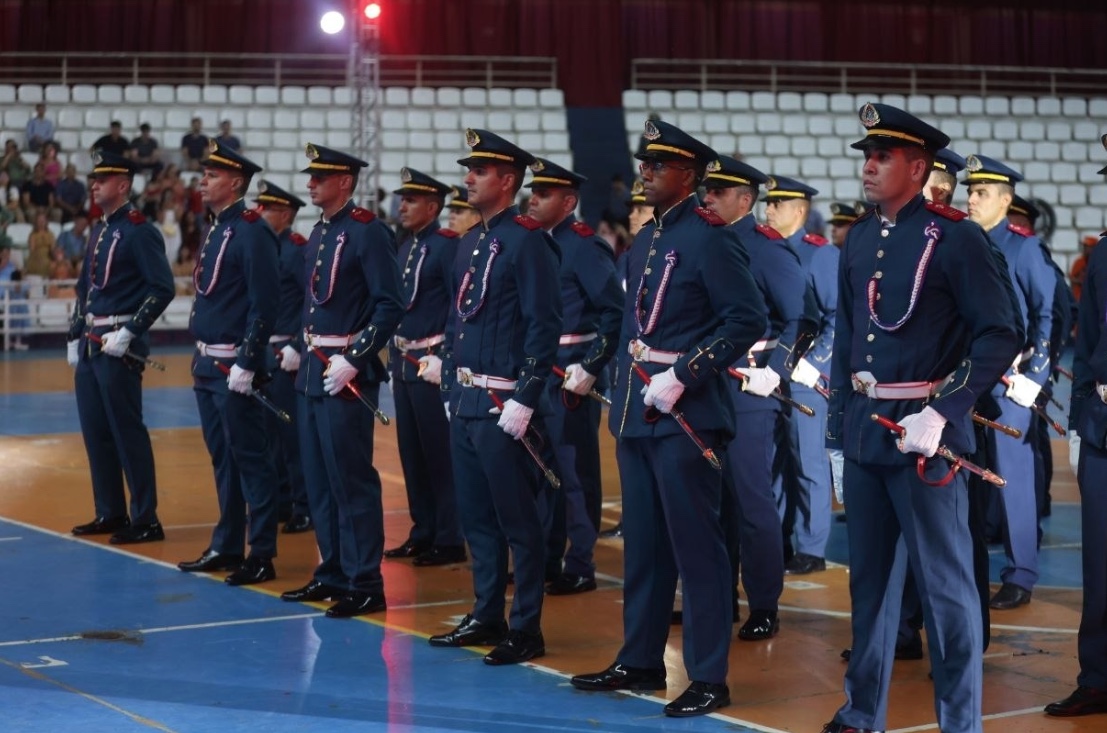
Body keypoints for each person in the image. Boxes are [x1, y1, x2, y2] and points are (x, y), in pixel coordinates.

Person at [822, 103, 1020, 733]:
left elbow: (1001, 332)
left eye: (882, 157)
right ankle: (861, 713)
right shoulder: (859, 239)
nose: (870, 167)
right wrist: (836, 434)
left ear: (918, 166)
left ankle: (960, 720)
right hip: (868, 433)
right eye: (867, 157)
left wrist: (944, 409)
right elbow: (850, 343)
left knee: (946, 589)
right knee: (870, 589)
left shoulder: (957, 237)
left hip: (927, 438)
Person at [570, 120, 766, 717]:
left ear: (690, 174)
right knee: (646, 548)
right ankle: (641, 659)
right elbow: (635, 327)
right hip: (638, 411)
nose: (646, 172)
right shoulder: (648, 237)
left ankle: (708, 674)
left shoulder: (711, 238)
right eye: (645, 164)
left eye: (659, 165)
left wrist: (685, 373)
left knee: (697, 551)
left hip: (685, 414)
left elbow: (746, 320)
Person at [426, 129, 561, 666]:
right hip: (467, 404)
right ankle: (487, 613)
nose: (468, 178)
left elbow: (543, 325)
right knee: (477, 519)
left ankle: (526, 627)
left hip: (506, 407)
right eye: (469, 170)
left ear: (506, 180)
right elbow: (459, 320)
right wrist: (449, 376)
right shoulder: (469, 242)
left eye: (478, 171)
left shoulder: (529, 241)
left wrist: (527, 396)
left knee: (520, 523)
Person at [277, 144, 403, 618]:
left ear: (345, 182)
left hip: (345, 373)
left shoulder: (367, 232)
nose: (310, 183)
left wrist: (355, 357)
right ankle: (332, 570)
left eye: (321, 177)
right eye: (311, 176)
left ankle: (365, 579)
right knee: (320, 480)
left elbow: (390, 304)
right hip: (314, 370)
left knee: (351, 480)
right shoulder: (321, 232)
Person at [701, 154, 805, 642]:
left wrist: (774, 370)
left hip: (748, 386)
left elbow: (803, 318)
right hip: (702, 384)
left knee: (750, 499)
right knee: (708, 501)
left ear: (746, 200)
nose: (708, 198)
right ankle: (717, 595)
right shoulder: (703, 240)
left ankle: (764, 601)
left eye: (719, 192)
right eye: (707, 190)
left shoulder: (764, 249)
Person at [178, 141, 281, 587]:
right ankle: (226, 543)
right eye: (205, 174)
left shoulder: (252, 231)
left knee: (251, 459)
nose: (203, 180)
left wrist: (247, 360)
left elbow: (265, 304)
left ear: (235, 182)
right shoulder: (218, 228)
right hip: (208, 367)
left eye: (213, 175)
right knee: (223, 459)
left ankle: (261, 552)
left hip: (233, 371)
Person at [525, 157, 623, 594]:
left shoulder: (584, 245)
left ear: (568, 201)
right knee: (538, 470)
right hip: (535, 371)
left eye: (544, 194)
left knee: (575, 474)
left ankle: (579, 562)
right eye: (533, 191)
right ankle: (546, 557)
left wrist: (592, 366)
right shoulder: (533, 242)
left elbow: (613, 313)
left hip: (569, 375)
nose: (533, 199)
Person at [66, 150, 175, 544]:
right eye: (94, 178)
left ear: (124, 185)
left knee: (127, 431)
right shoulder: (101, 230)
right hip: (93, 345)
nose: (94, 184)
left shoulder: (138, 230)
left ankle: (146, 517)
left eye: (102, 179)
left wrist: (130, 331)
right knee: (96, 432)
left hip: (118, 346)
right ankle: (109, 510)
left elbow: (162, 288)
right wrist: (75, 333)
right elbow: (85, 290)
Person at [963, 154, 1056, 611]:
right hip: (966, 380)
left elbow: (1048, 314)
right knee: (970, 479)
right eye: (970, 191)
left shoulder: (1023, 247)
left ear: (1005, 199)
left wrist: (1034, 377)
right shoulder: (962, 242)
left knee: (1013, 481)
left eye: (981, 193)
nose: (971, 199)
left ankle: (1021, 573)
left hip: (1009, 381)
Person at [1048, 132, 1107, 719]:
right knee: (1100, 563)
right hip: (1105, 428)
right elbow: (1086, 347)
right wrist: (1083, 418)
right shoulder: (1105, 253)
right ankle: (1098, 676)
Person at [381, 168, 466, 566]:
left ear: (433, 206)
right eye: (402, 199)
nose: (402, 206)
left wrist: (446, 357)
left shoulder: (448, 246)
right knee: (411, 452)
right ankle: (424, 529)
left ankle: (449, 536)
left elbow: (460, 306)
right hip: (404, 361)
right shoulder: (405, 245)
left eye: (411, 200)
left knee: (439, 455)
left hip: (430, 361)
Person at [763, 175, 837, 576]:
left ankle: (810, 546)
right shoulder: (766, 249)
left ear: (800, 211)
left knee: (807, 462)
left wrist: (817, 361)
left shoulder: (819, 255)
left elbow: (838, 314)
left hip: (805, 374)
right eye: (768, 202)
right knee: (773, 461)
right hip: (768, 371)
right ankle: (777, 537)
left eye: (779, 203)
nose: (769, 208)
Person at [252, 180, 312, 534]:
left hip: (287, 353)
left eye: (267, 208)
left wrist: (298, 345)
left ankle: (303, 506)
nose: (260, 213)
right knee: (268, 436)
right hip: (264, 353)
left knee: (292, 436)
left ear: (285, 214)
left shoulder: (296, 251)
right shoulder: (263, 248)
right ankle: (279, 501)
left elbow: (313, 301)